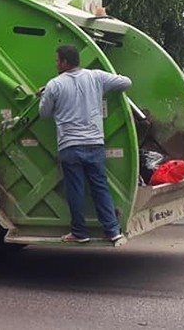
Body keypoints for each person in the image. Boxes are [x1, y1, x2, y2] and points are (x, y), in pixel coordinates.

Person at [38, 45, 132, 243]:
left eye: (57, 60)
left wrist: (45, 95)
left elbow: (44, 114)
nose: (56, 63)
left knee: (75, 190)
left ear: (64, 62)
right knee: (100, 187)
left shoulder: (54, 85)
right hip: (95, 143)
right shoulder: (96, 77)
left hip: (70, 145)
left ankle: (79, 233)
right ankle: (112, 230)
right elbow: (126, 82)